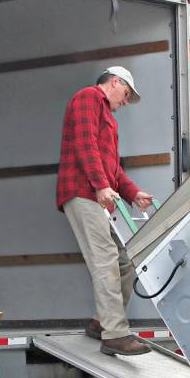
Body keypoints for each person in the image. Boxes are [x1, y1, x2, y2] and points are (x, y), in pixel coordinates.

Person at [57, 66, 154, 356]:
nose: (125, 102)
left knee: (125, 262)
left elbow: (112, 168)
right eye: (126, 95)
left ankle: (102, 324)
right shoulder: (88, 98)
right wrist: (100, 186)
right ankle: (115, 334)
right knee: (106, 258)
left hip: (96, 195)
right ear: (114, 82)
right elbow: (85, 145)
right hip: (82, 192)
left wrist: (132, 192)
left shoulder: (108, 118)